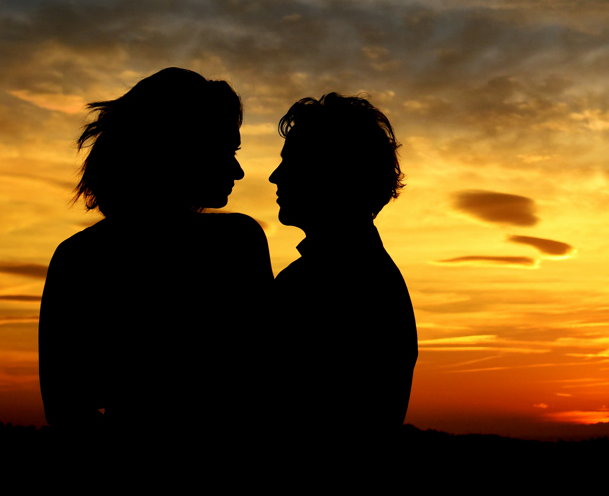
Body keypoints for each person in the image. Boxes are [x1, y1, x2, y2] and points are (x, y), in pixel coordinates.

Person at [39, 68, 271, 460]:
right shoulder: (236, 243)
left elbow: (65, 408)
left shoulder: (78, 257)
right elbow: (264, 383)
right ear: (182, 149)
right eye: (227, 152)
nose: (238, 171)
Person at [269, 93, 417, 449]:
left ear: (330, 173)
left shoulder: (329, 284)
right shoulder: (360, 274)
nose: (275, 176)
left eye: (291, 162)